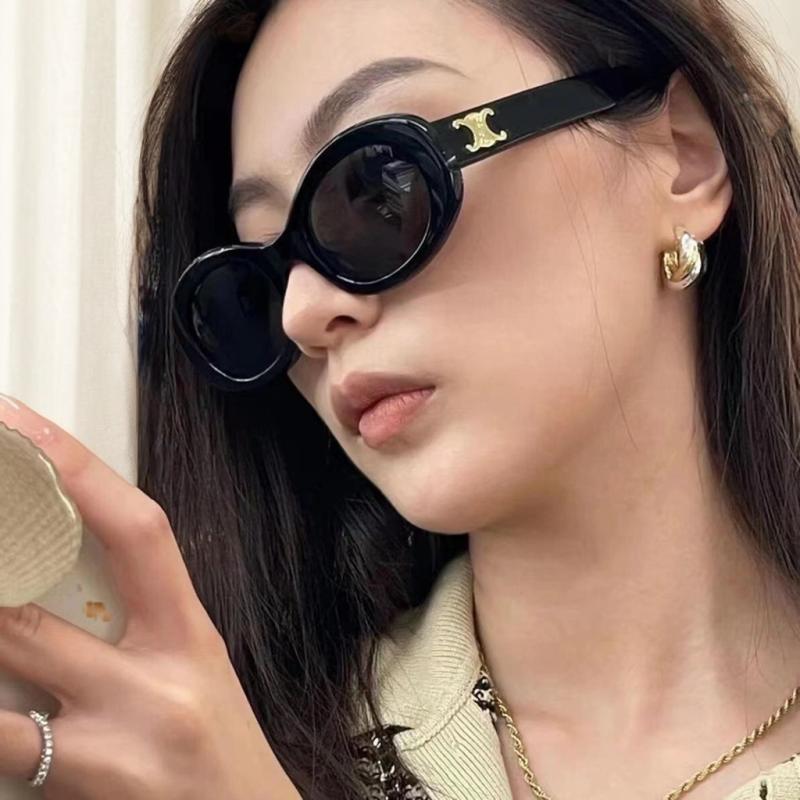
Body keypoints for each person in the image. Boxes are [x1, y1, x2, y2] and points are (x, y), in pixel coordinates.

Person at [0, 0, 799, 798]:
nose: (303, 313)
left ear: (684, 156)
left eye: (380, 186)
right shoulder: (195, 753)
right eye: (254, 284)